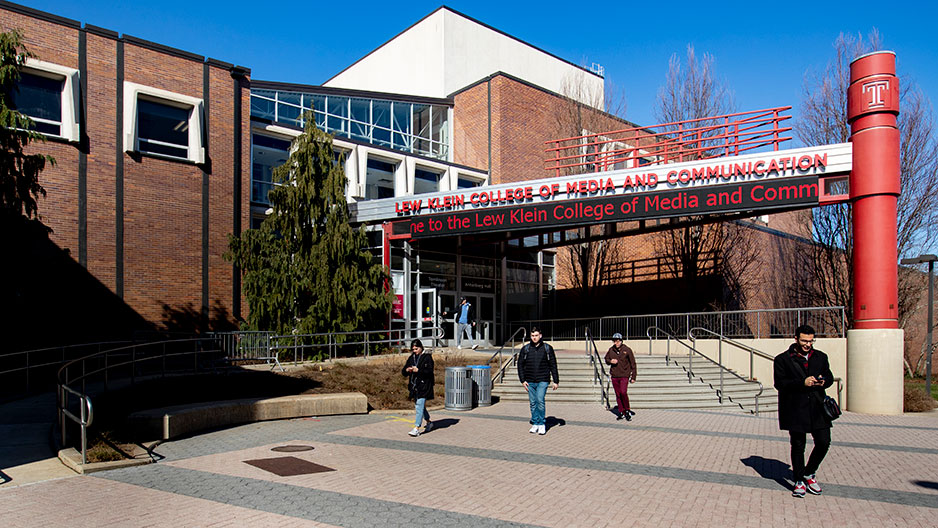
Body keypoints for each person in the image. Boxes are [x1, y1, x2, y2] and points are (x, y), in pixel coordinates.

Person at [774, 324, 834, 498]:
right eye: (804, 341)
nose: (808, 344)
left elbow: (829, 376)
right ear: (796, 339)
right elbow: (780, 384)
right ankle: (799, 479)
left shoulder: (821, 357)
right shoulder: (782, 360)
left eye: (811, 340)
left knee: (824, 442)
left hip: (817, 407)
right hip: (795, 408)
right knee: (798, 445)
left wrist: (824, 381)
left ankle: (809, 473)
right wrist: (802, 383)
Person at [517, 326, 559, 435]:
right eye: (532, 336)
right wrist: (522, 380)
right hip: (529, 380)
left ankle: (541, 424)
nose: (534, 338)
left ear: (540, 335)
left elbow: (553, 364)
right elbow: (520, 365)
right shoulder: (525, 349)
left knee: (540, 400)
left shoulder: (547, 348)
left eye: (536, 335)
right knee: (533, 402)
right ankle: (535, 422)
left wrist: (556, 380)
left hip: (543, 379)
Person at [401, 339, 434, 437]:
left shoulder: (427, 357)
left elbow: (429, 371)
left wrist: (419, 370)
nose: (415, 351)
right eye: (413, 349)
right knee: (420, 407)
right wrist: (407, 370)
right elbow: (403, 371)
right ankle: (429, 422)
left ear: (421, 347)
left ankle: (416, 428)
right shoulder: (412, 358)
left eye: (416, 349)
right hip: (414, 386)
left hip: (424, 386)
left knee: (419, 406)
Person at [604, 332, 637, 421]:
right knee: (618, 394)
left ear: (621, 341)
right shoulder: (611, 350)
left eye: (617, 341)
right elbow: (606, 359)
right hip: (615, 375)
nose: (616, 343)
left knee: (623, 392)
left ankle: (627, 410)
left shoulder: (627, 350)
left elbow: (633, 363)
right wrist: (611, 361)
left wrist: (633, 376)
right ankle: (621, 411)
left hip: (624, 375)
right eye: (614, 341)